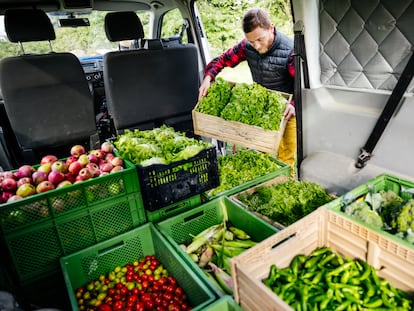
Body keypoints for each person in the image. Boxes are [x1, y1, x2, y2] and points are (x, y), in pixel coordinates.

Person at [198, 8, 296, 176]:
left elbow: (301, 84)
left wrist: (294, 105)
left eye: (260, 39)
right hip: (261, 109)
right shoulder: (247, 47)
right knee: (260, 155)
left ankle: (285, 184)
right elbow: (223, 59)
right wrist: (208, 76)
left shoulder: (290, 51)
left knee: (285, 160)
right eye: (251, 42)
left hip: (288, 111)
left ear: (271, 28)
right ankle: (261, 186)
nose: (256, 46)